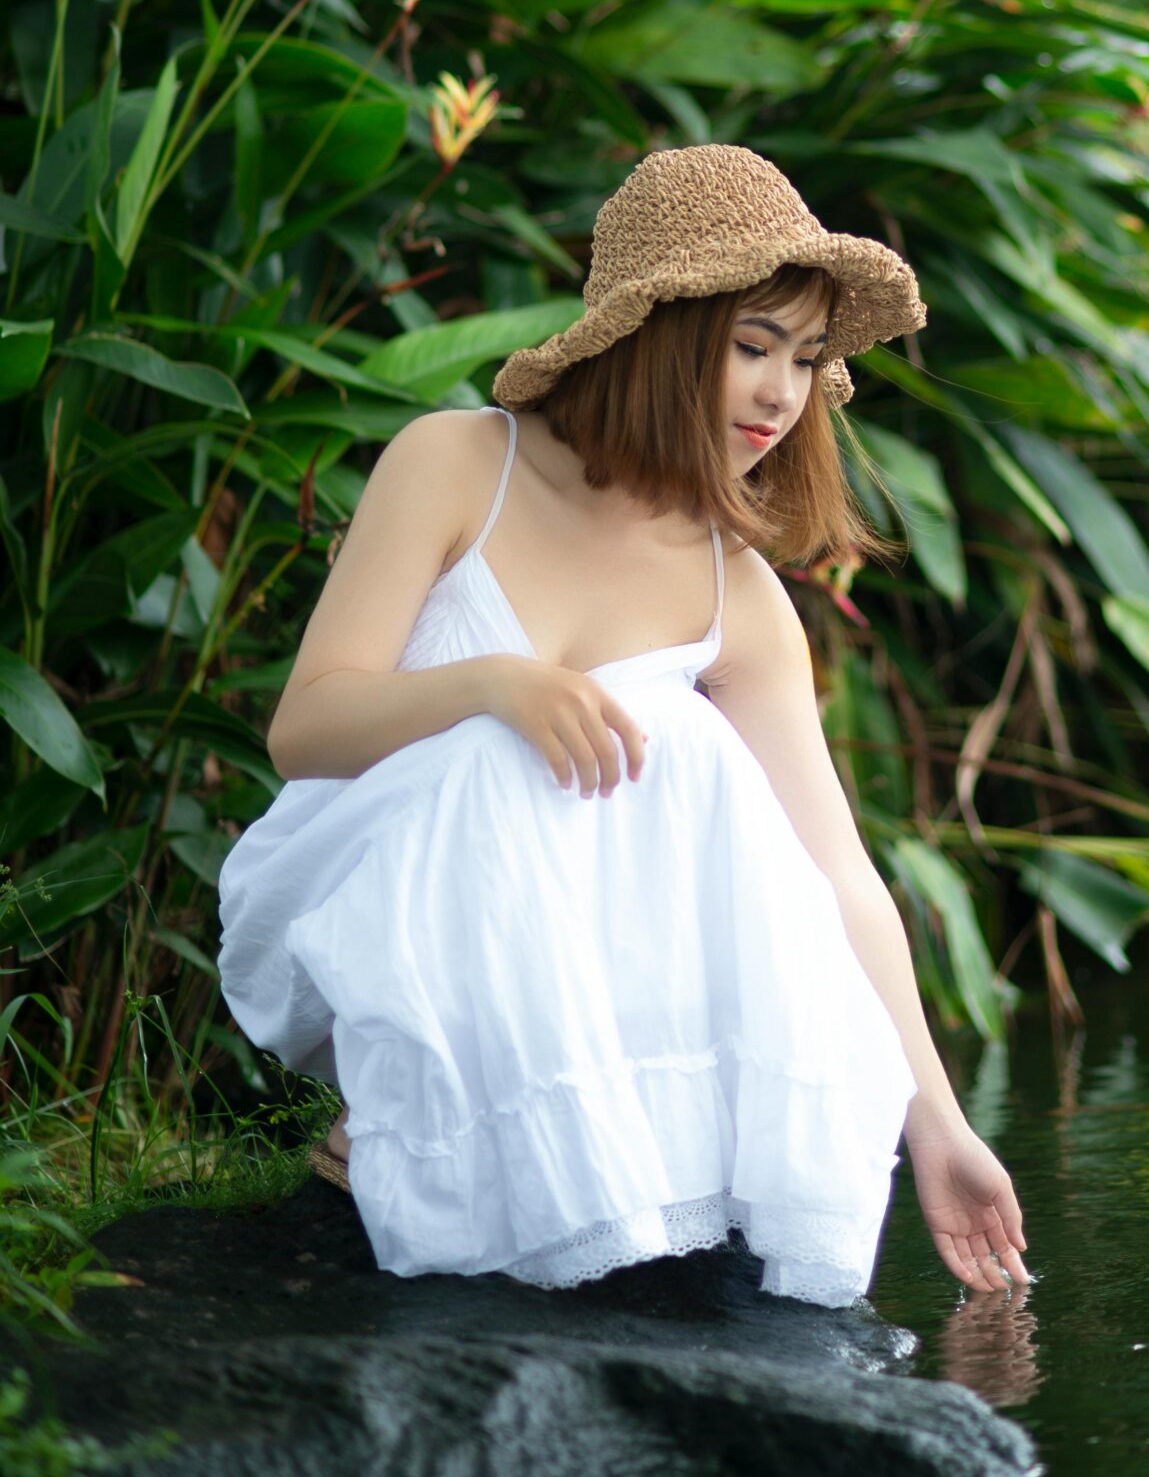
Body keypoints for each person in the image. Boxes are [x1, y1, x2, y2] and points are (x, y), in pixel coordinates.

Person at [216, 141, 1030, 1307]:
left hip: (593, 996)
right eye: (752, 347)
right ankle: (401, 1140)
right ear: (656, 333)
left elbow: (835, 874)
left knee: (690, 751)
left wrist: (937, 1125)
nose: (780, 393)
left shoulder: (733, 589)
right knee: (520, 749)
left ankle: (636, 1168)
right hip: (369, 892)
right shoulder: (455, 464)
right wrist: (494, 682)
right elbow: (304, 729)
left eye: (804, 360)